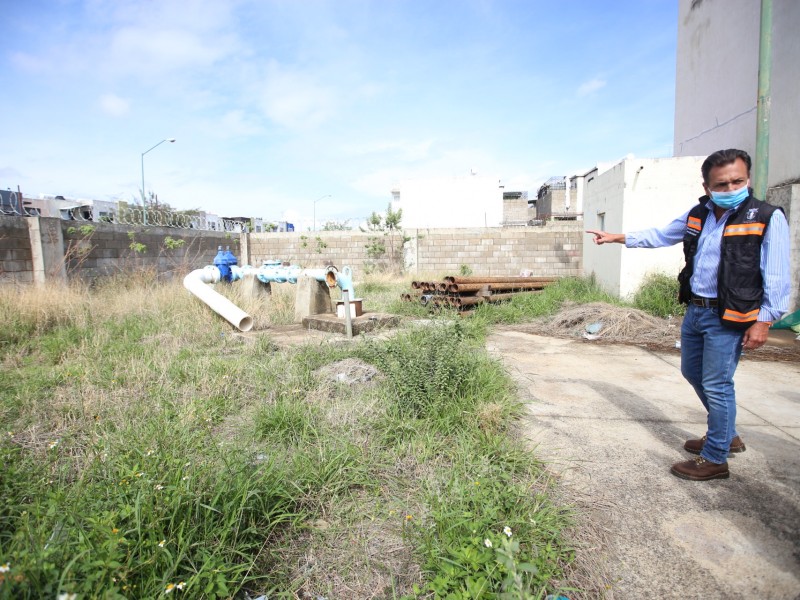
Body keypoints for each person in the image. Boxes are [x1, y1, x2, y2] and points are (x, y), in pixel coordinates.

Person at [587, 148, 790, 481]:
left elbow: (778, 275)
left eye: (737, 181)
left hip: (730, 316)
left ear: (747, 179)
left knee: (717, 383)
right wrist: (616, 237)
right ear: (707, 186)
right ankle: (726, 434)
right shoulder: (700, 214)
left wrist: (764, 320)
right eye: (721, 184)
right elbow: (663, 234)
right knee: (692, 373)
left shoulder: (765, 217)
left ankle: (715, 458)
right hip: (697, 310)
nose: (729, 189)